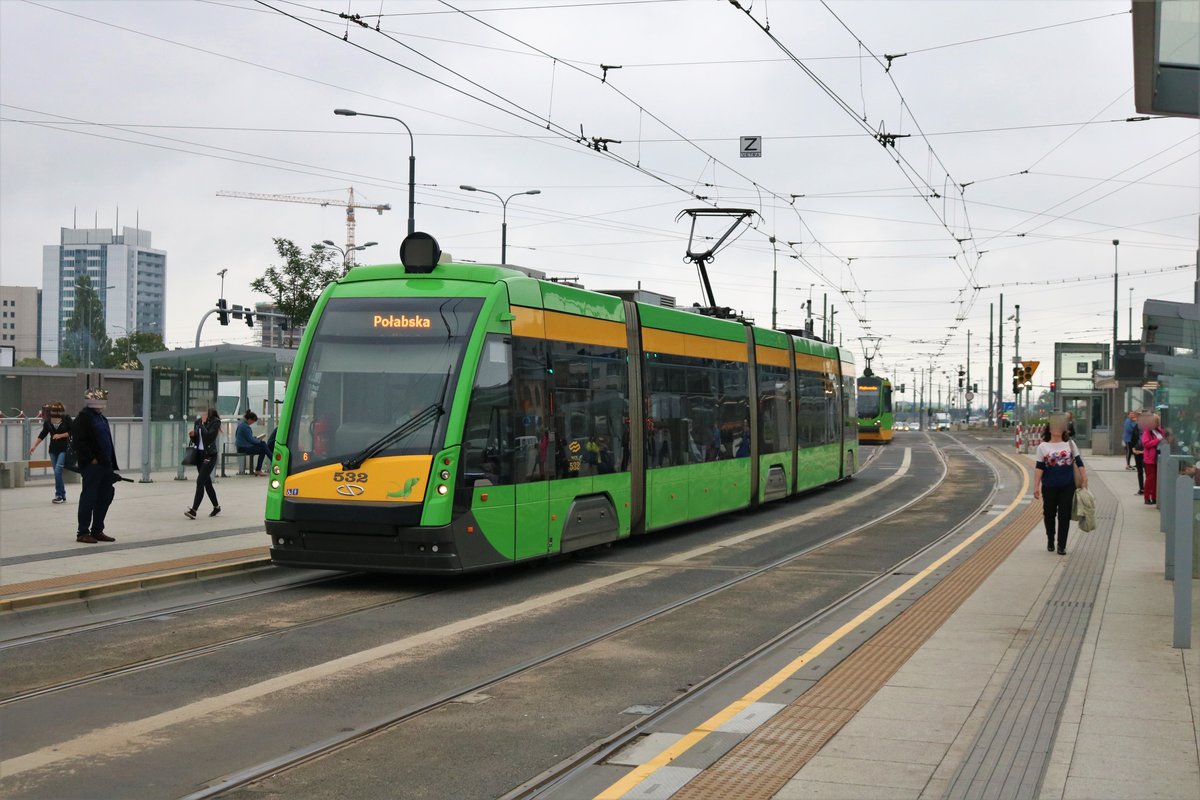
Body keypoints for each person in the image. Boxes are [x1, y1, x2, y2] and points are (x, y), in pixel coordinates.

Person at [70, 388, 119, 544]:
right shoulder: (83, 418)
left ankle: (97, 530)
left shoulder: (101, 418)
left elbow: (107, 442)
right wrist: (91, 459)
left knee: (106, 495)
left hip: (105, 465)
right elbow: (79, 441)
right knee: (89, 497)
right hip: (92, 466)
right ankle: (82, 532)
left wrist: (110, 463)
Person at [1034, 416, 1087, 555]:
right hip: (1049, 486)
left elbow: (1079, 462)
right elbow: (1039, 467)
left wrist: (1084, 478)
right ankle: (1050, 539)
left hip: (1067, 485)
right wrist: (1036, 486)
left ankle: (1061, 545)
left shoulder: (1070, 444)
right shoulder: (1043, 446)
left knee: (1064, 516)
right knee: (1049, 514)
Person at [28, 401, 71, 504]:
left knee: (57, 471)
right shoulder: (48, 421)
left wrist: (60, 435)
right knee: (57, 473)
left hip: (64, 448)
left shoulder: (66, 419)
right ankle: (63, 494)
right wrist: (34, 446)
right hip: (53, 450)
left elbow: (72, 431)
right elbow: (43, 434)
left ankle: (58, 495)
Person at [185, 408, 222, 519]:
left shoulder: (215, 421)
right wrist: (192, 436)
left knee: (200, 481)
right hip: (199, 455)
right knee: (207, 483)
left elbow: (209, 437)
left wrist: (203, 424)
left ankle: (194, 510)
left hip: (209, 455)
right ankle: (216, 507)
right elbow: (198, 440)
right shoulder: (197, 422)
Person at [235, 410, 270, 476]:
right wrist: (258, 440)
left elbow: (248, 438)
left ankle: (260, 468)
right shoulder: (245, 427)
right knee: (263, 445)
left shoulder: (242, 425)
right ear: (250, 419)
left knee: (263, 447)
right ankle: (270, 459)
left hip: (242, 447)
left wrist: (256, 439)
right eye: (253, 421)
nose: (252, 423)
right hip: (244, 447)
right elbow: (250, 440)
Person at [1141, 414, 1164, 506]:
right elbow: (1145, 444)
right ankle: (1147, 497)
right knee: (1150, 479)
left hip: (1158, 458)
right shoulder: (1147, 431)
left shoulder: (1159, 431)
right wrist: (1157, 441)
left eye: (1157, 421)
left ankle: (1154, 497)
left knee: (1156, 479)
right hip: (1150, 459)